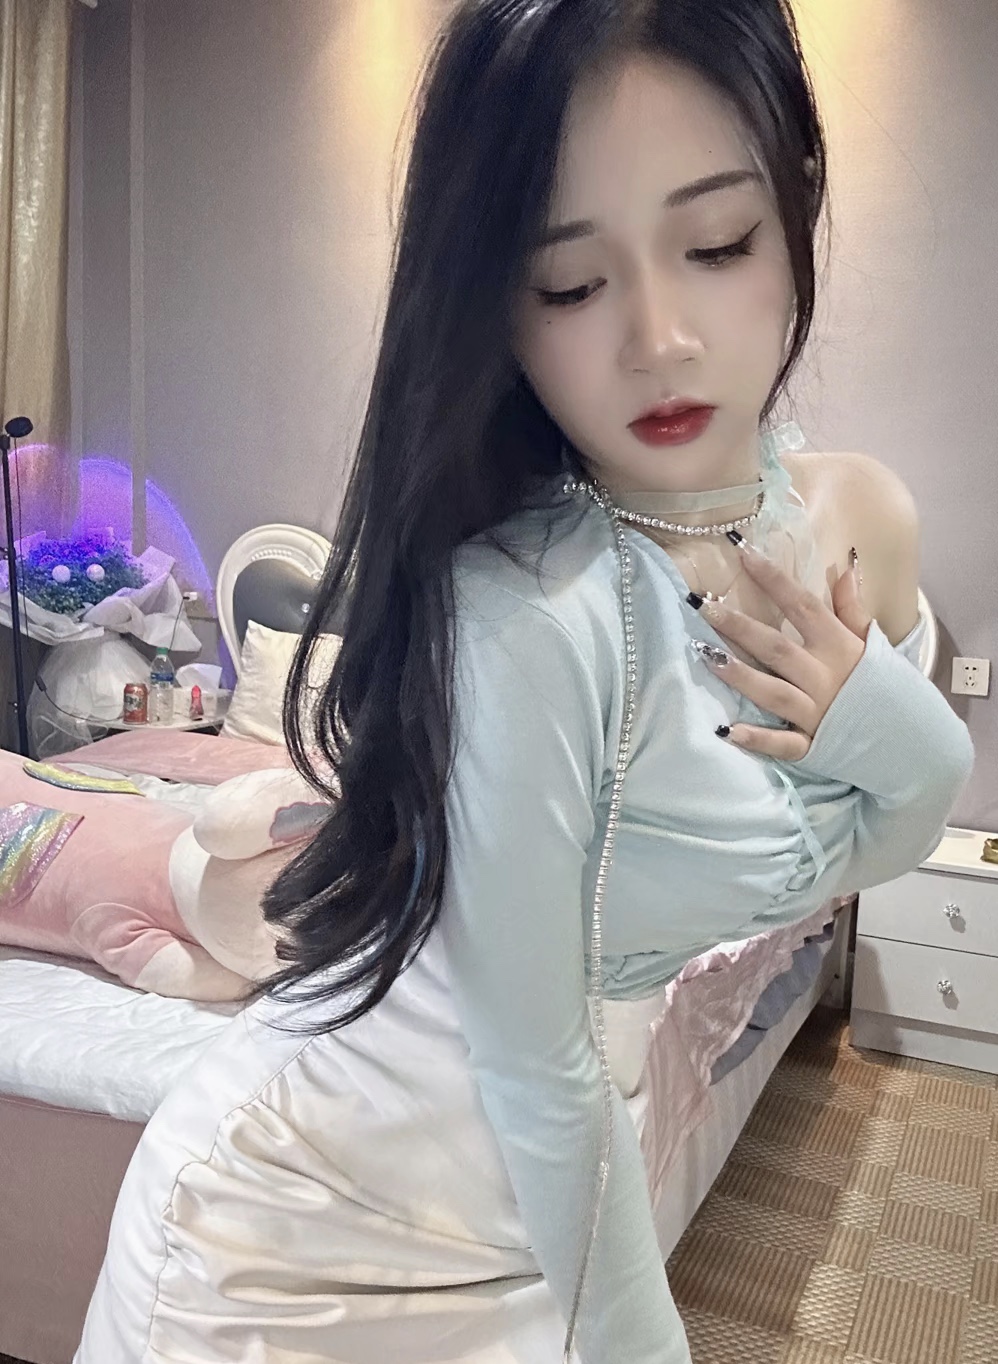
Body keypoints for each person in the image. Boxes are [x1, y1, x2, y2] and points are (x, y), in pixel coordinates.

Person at [75, 2, 974, 1362]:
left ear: (794, 206)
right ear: (498, 309)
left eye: (717, 243)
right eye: (568, 285)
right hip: (295, 1233)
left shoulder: (858, 516)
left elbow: (895, 833)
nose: (658, 338)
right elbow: (536, 1062)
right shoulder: (522, 610)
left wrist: (875, 715)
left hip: (530, 1213)